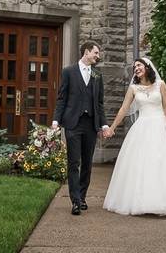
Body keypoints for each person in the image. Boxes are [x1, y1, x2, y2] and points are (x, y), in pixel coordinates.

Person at [101, 57, 166, 215]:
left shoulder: (161, 85)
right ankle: (141, 201)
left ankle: (165, 201)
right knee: (142, 163)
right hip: (142, 127)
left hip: (160, 126)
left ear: (147, 67)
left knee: (162, 162)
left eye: (139, 65)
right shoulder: (133, 89)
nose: (136, 68)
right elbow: (124, 109)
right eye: (134, 67)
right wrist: (112, 128)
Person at [51, 41, 110, 216]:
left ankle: (82, 196)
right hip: (73, 124)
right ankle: (75, 201)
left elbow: (99, 103)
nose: (98, 56)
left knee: (87, 164)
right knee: (73, 162)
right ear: (86, 52)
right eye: (96, 53)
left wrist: (104, 124)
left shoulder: (98, 76)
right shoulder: (69, 71)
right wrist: (56, 120)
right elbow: (62, 98)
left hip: (90, 125)